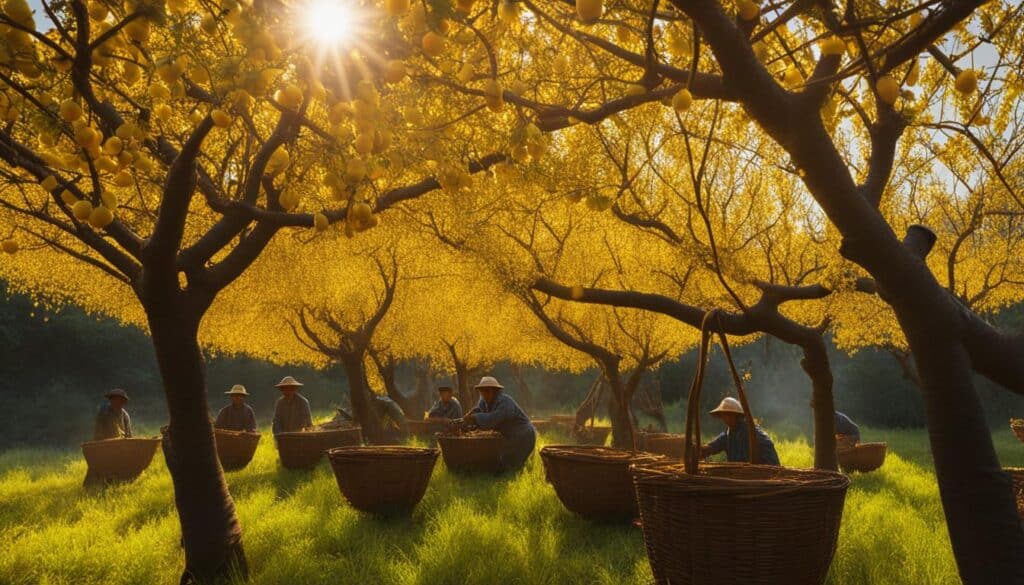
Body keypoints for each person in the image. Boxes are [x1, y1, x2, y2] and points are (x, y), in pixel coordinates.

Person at [458, 376, 536, 471]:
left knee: (510, 465)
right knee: (500, 462)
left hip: (523, 435)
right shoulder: (484, 401)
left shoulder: (505, 402)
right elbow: (478, 411)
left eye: (488, 391)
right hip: (509, 435)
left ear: (495, 391)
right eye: (482, 391)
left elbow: (493, 419)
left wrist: (475, 417)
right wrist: (466, 421)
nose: (485, 394)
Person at [701, 397, 780, 465]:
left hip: (761, 473)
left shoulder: (750, 431)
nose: (725, 418)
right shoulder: (729, 433)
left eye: (728, 414)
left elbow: (767, 447)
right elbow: (714, 445)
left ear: (736, 415)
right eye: (723, 414)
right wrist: (702, 449)